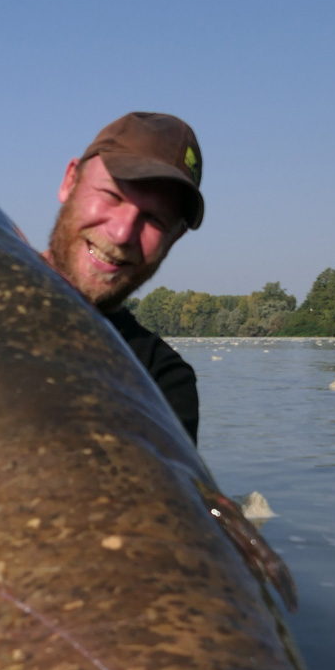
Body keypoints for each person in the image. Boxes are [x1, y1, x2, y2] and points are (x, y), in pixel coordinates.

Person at [42, 112, 203, 444]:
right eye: (112, 195)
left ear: (175, 238)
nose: (121, 233)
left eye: (154, 219)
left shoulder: (163, 383)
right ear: (69, 181)